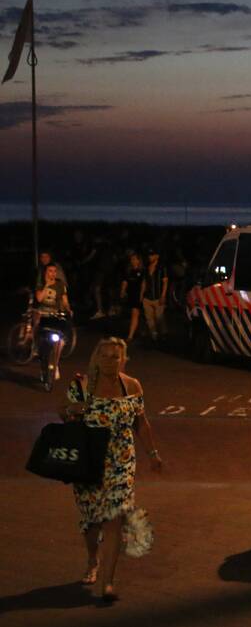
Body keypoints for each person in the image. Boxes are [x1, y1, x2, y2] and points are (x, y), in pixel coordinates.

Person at [59, 337, 162, 602]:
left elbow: (141, 423)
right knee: (92, 521)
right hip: (90, 462)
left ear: (123, 359)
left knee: (114, 519)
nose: (109, 361)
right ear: (96, 358)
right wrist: (73, 409)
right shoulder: (81, 385)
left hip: (122, 461)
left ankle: (108, 582)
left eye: (115, 356)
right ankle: (93, 557)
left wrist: (153, 454)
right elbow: (63, 413)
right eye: (103, 356)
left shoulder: (131, 386)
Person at [35, 263, 73, 381]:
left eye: (54, 271)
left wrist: (68, 309)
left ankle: (55, 365)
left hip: (55, 315)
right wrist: (47, 285)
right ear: (45, 272)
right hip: (43, 315)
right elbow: (40, 298)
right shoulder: (40, 283)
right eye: (50, 271)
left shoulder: (60, 284)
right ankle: (42, 365)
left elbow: (65, 301)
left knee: (59, 342)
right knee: (43, 346)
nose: (53, 273)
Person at [142, 248, 169, 343]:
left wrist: (163, 295)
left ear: (157, 256)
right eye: (149, 255)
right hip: (147, 297)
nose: (150, 257)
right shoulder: (147, 267)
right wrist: (141, 295)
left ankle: (164, 333)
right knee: (149, 318)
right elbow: (144, 282)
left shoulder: (161, 268)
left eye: (152, 255)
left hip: (158, 297)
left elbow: (165, 282)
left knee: (159, 317)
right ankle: (154, 335)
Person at [120, 253, 145, 341]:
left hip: (138, 295)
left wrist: (141, 295)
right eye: (131, 259)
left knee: (135, 314)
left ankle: (130, 335)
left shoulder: (142, 271)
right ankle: (140, 330)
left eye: (135, 259)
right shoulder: (128, 271)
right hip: (130, 294)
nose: (133, 261)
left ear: (139, 260)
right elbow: (125, 281)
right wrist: (122, 291)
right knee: (135, 314)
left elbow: (143, 284)